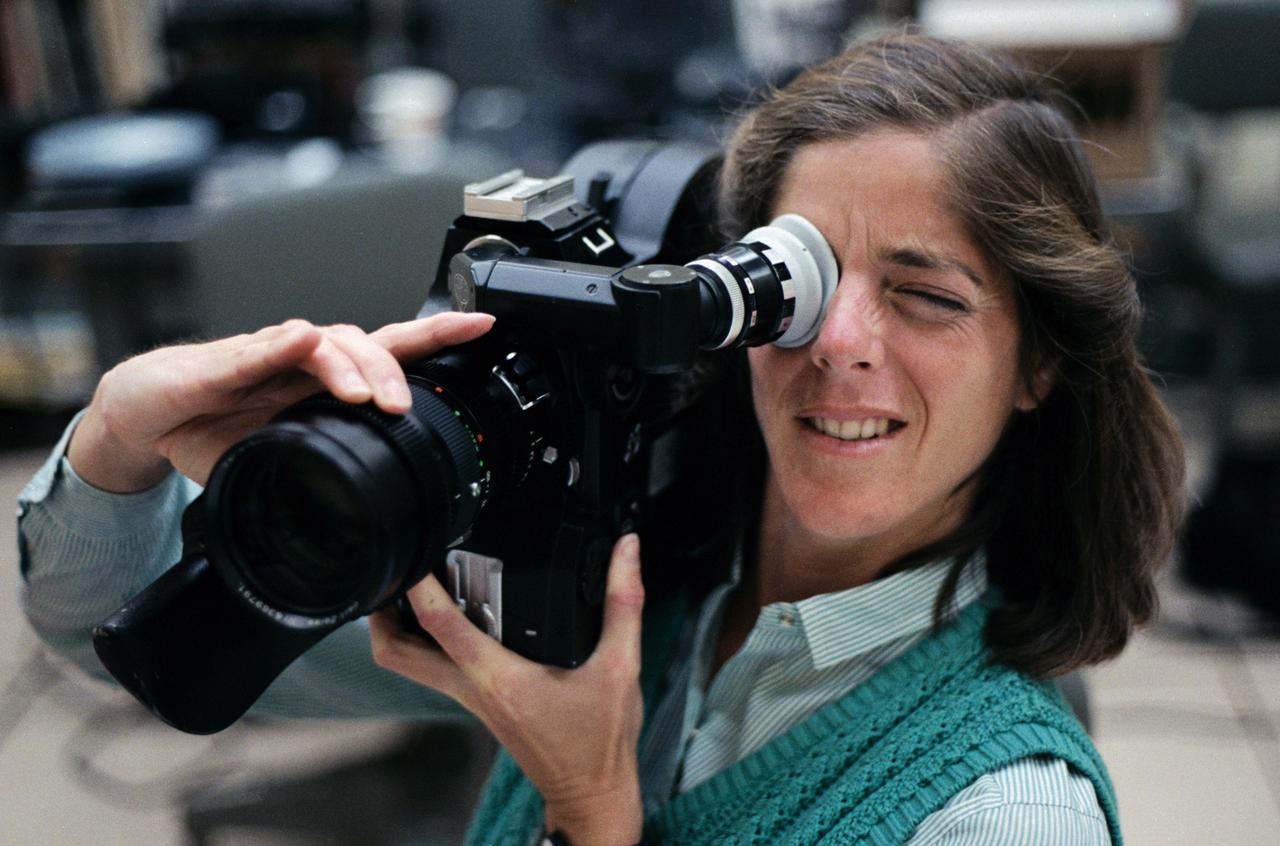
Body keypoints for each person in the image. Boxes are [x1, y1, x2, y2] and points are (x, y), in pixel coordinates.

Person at [17, 34, 1185, 846]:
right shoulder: (629, 554)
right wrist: (123, 434)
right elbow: (106, 632)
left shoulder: (1006, 811)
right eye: (798, 288)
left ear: (1037, 363)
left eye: (925, 297)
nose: (838, 344)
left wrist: (586, 807)